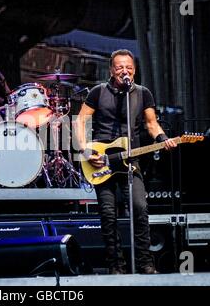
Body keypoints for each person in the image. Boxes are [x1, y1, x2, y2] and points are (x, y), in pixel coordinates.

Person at [75, 49, 177, 274]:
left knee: (140, 209)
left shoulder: (142, 93)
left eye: (129, 67)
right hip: (101, 160)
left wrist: (163, 139)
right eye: (120, 67)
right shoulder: (98, 92)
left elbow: (151, 124)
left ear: (135, 70)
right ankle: (115, 266)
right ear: (111, 70)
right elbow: (80, 120)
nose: (124, 71)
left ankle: (145, 263)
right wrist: (84, 149)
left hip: (131, 160)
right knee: (109, 214)